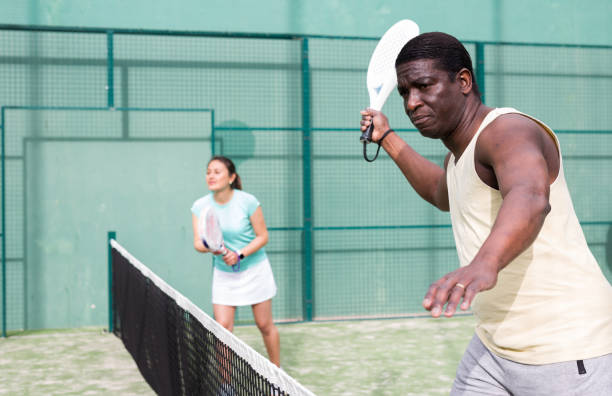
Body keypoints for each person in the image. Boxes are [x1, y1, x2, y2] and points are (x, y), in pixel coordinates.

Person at [360, 32, 612, 395]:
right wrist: (386, 137)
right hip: (495, 345)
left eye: (423, 86)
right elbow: (439, 191)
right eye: (404, 92)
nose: (412, 102)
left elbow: (530, 195)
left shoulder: (509, 131)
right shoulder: (459, 155)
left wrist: (485, 263)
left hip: (567, 347)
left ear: (463, 81)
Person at [191, 155, 280, 367]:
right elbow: (198, 243)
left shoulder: (247, 201)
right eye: (208, 172)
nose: (211, 176)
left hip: (255, 270)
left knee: (264, 324)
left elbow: (263, 236)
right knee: (222, 328)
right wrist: (211, 248)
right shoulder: (200, 206)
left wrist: (239, 254)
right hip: (224, 274)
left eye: (217, 172)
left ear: (231, 177)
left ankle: (279, 376)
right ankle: (226, 385)